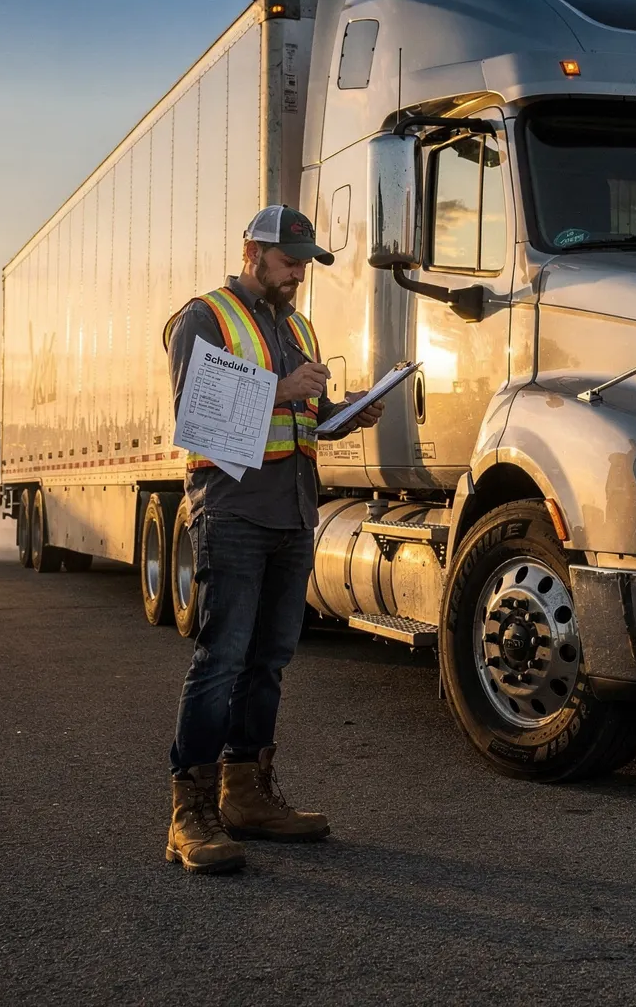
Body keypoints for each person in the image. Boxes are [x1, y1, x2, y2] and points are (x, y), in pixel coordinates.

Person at [160, 204, 383, 875]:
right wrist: (283, 388)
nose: (297, 276)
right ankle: (188, 812)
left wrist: (349, 412)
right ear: (252, 252)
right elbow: (196, 415)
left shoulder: (299, 326)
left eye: (305, 265)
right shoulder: (205, 317)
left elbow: (306, 417)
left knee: (270, 661)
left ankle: (246, 795)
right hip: (232, 512)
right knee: (220, 658)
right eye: (289, 263)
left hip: (293, 514)